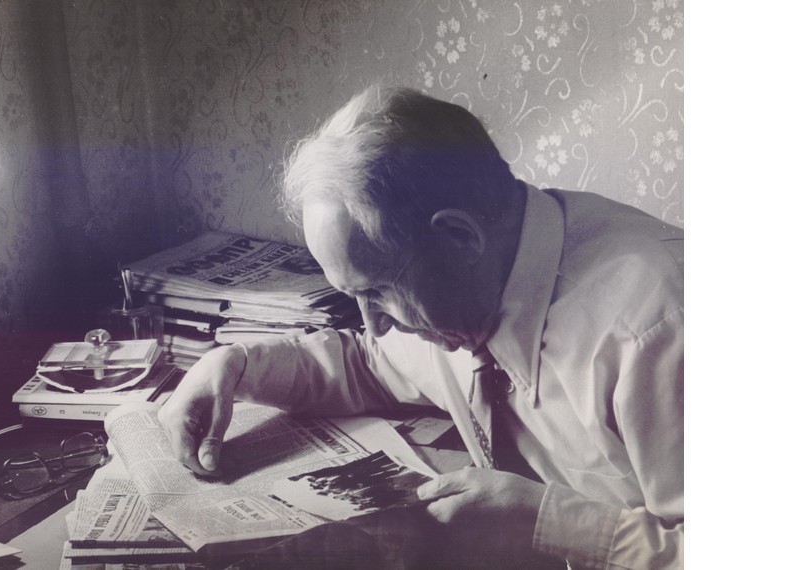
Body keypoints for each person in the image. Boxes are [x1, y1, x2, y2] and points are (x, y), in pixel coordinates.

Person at [157, 85, 682, 569]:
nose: (375, 324)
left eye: (378, 291)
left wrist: (553, 523)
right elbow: (368, 363)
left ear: (459, 238)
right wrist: (237, 366)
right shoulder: (462, 291)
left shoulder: (656, 328)